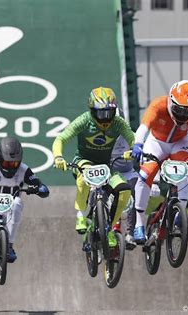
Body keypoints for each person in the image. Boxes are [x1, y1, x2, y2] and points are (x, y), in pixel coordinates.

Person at [131, 80, 188, 244]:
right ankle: (138, 223)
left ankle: (181, 210)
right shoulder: (158, 104)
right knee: (145, 174)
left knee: (187, 169)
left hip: (181, 142)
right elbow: (143, 127)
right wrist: (138, 145)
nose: (183, 115)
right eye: (179, 109)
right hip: (156, 142)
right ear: (170, 101)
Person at [52, 87, 135, 246]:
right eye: (100, 113)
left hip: (106, 166)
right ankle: (82, 214)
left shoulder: (118, 123)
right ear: (91, 111)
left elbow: (132, 137)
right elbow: (61, 139)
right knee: (84, 176)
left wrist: (135, 148)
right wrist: (58, 157)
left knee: (124, 190)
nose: (105, 119)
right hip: (83, 160)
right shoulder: (84, 120)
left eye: (109, 113)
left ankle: (110, 228)